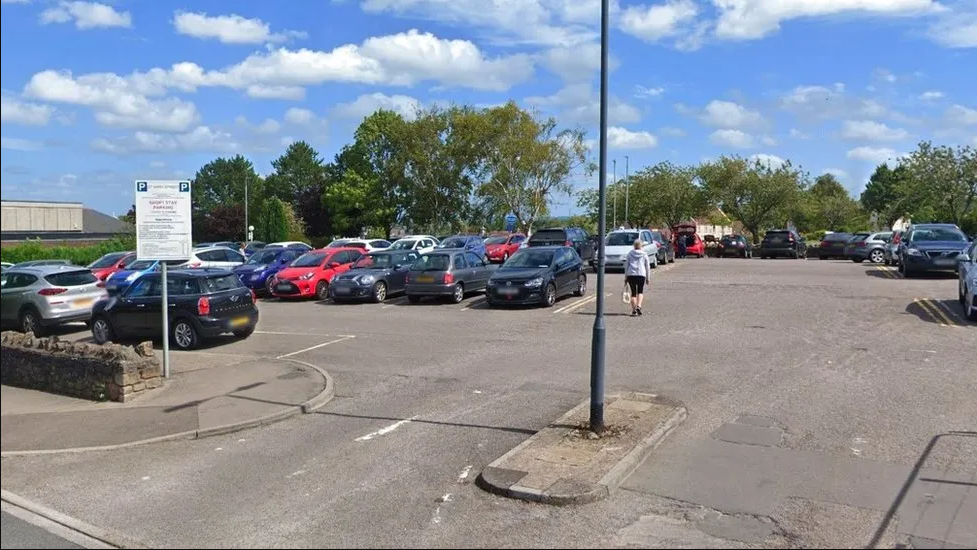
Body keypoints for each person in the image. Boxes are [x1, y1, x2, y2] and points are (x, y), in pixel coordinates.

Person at [625, 238, 651, 317]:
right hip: (641, 274)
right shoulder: (644, 254)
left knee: (633, 293)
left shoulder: (629, 254)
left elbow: (626, 266)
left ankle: (633, 310)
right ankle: (639, 306)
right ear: (641, 246)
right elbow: (647, 267)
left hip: (631, 274)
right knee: (640, 291)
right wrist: (648, 278)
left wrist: (625, 277)